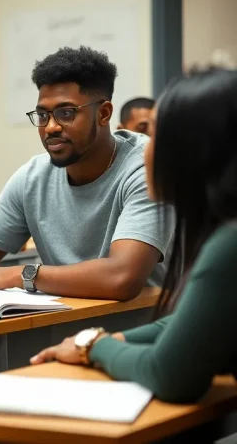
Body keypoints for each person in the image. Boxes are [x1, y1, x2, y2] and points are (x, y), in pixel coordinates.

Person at [30, 70, 237, 430]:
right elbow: (194, 323)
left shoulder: (229, 246)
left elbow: (171, 375)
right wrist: (114, 340)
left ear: (195, 151)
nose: (143, 149)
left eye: (154, 134)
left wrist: (94, 348)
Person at [0, 46, 173, 300]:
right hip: (61, 327)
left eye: (66, 113)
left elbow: (122, 278)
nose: (51, 127)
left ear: (103, 113)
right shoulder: (32, 178)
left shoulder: (147, 168)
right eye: (43, 115)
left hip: (142, 331)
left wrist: (21, 275)